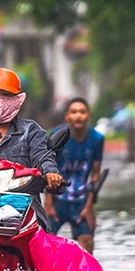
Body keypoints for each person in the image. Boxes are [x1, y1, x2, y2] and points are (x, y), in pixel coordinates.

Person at [44, 98, 104, 252]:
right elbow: (49, 168)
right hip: (57, 199)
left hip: (81, 202)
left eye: (82, 112)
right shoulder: (58, 135)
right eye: (74, 112)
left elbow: (95, 174)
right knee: (45, 242)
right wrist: (48, 204)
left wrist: (89, 206)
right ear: (67, 116)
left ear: (88, 115)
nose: (78, 116)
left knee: (87, 242)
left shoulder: (97, 139)